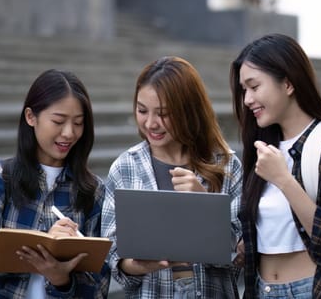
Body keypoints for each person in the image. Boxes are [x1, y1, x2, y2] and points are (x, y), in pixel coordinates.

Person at [229, 33, 321, 298]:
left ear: (287, 83)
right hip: (262, 289)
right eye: (244, 90)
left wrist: (284, 180)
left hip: (313, 289)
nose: (247, 100)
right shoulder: (262, 147)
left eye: (254, 87)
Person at [101, 56, 243, 298]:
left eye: (164, 113)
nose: (151, 123)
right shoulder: (125, 167)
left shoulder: (225, 165)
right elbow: (113, 253)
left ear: (189, 111)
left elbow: (239, 254)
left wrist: (204, 203)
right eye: (142, 110)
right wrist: (137, 265)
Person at [0, 69, 110, 298]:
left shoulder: (93, 191)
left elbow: (98, 286)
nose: (69, 133)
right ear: (31, 117)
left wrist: (61, 280)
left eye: (78, 123)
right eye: (58, 121)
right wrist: (45, 243)